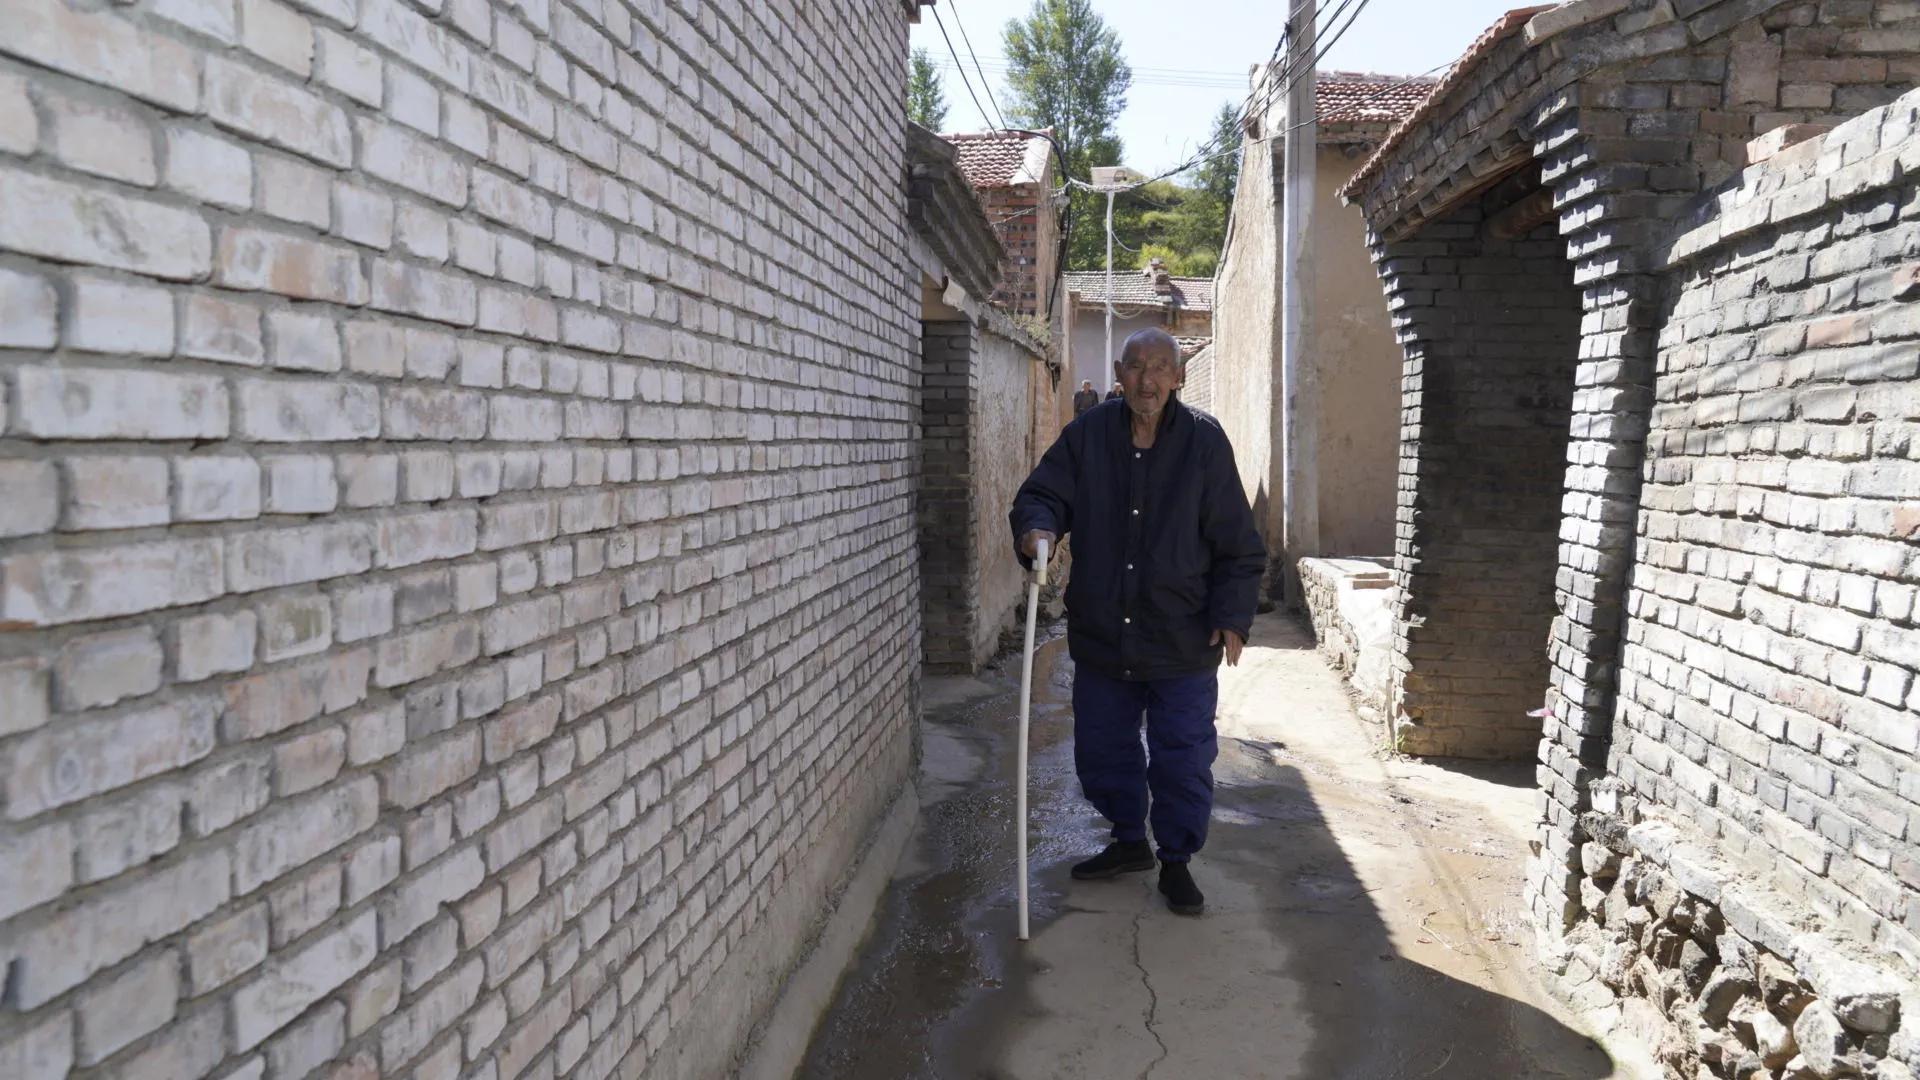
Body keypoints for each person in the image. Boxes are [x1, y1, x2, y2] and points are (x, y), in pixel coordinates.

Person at [1009, 327, 1265, 916]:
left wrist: (1232, 615)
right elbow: (1043, 493)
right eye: (1135, 367)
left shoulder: (1203, 442)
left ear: (1178, 377)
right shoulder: (1088, 435)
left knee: (1183, 758)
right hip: (1104, 633)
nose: (1147, 380)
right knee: (1102, 752)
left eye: (1159, 368)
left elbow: (1237, 541)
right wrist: (1037, 529)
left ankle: (1176, 860)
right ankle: (1129, 841)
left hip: (1182, 636)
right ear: (1119, 374)